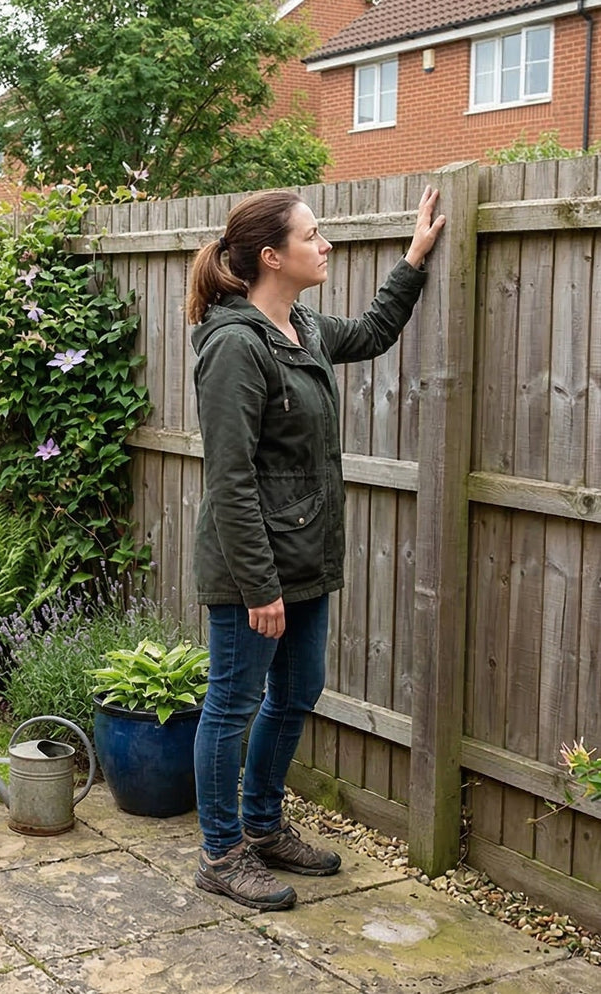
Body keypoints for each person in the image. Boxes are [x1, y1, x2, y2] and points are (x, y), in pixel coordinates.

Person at [188, 185, 445, 910]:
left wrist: (415, 261)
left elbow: (370, 333)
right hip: (254, 570)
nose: (324, 244)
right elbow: (230, 480)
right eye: (312, 236)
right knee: (232, 704)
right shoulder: (238, 346)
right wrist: (259, 586)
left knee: (297, 692)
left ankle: (264, 829)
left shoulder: (301, 326)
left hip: (305, 559)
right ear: (272, 256)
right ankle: (221, 853)